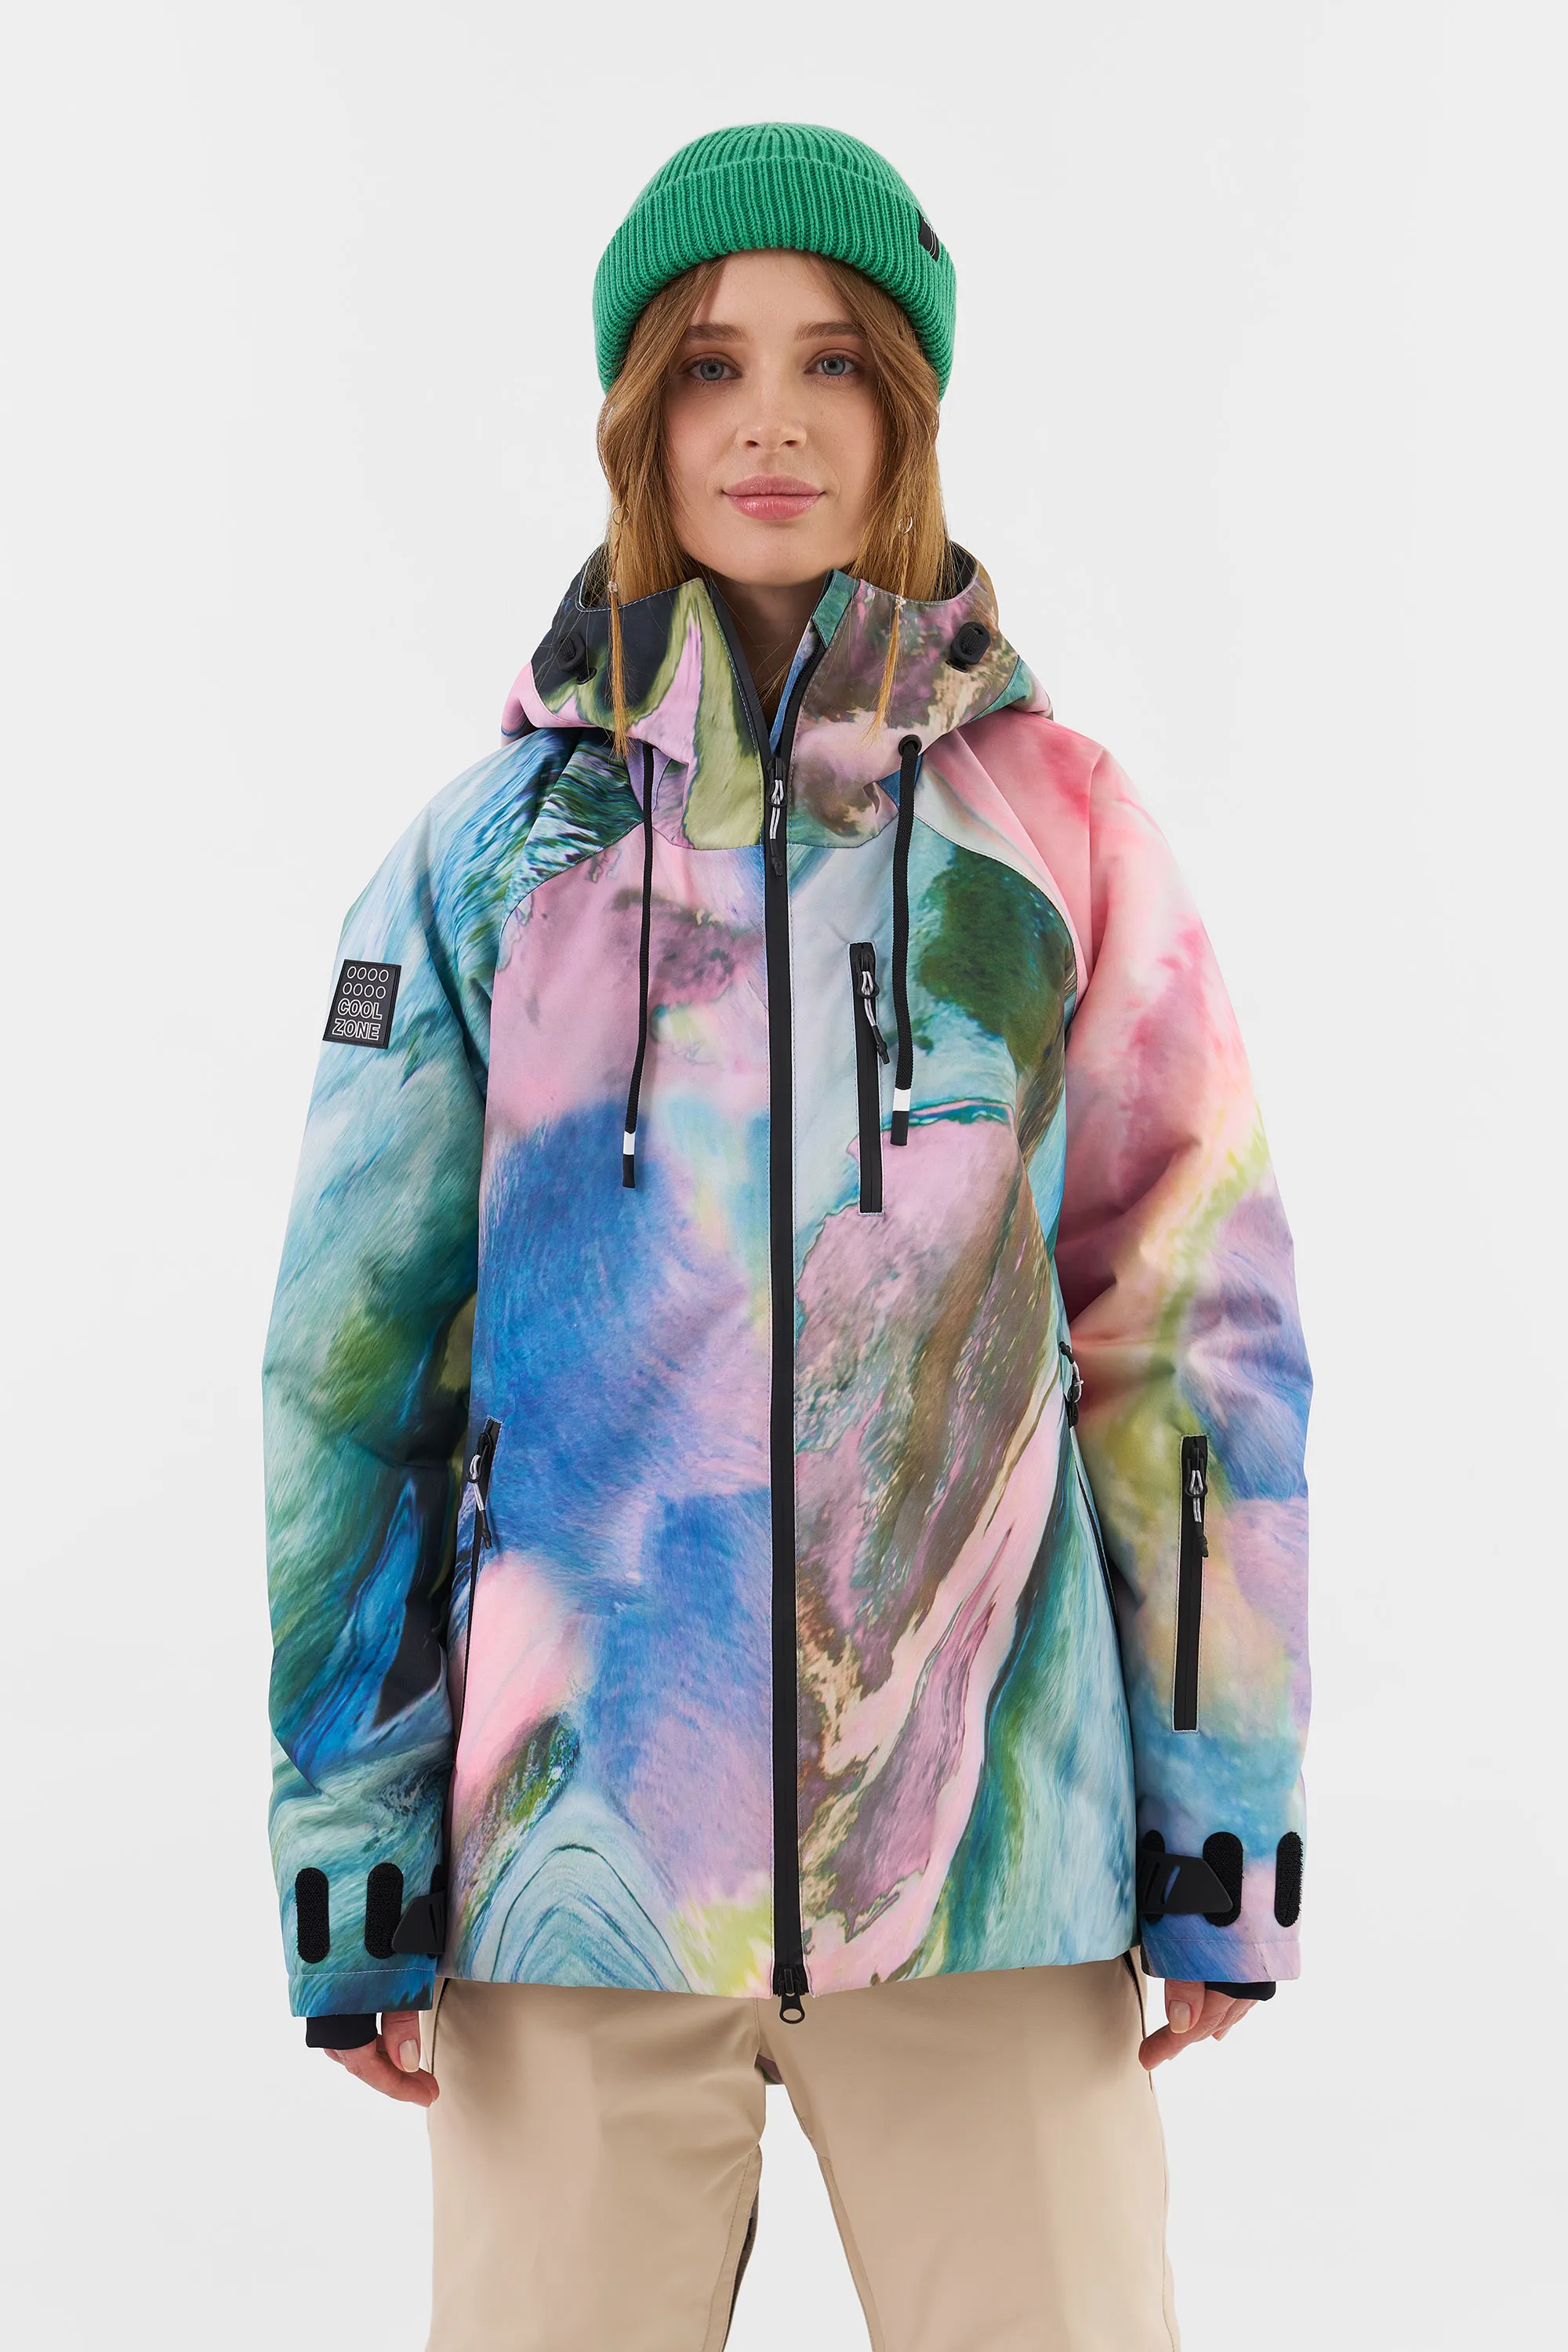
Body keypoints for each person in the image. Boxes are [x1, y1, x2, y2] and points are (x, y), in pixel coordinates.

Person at [263, 122, 1311, 2352]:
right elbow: (352, 1375)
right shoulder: (479, 863)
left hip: (995, 1872)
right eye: (711, 363)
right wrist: (356, 1835)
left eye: (835, 360)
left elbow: (1192, 1330)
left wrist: (1219, 1805)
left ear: (907, 410)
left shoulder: (1062, 833)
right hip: (570, 1893)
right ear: (637, 416)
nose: (770, 419)